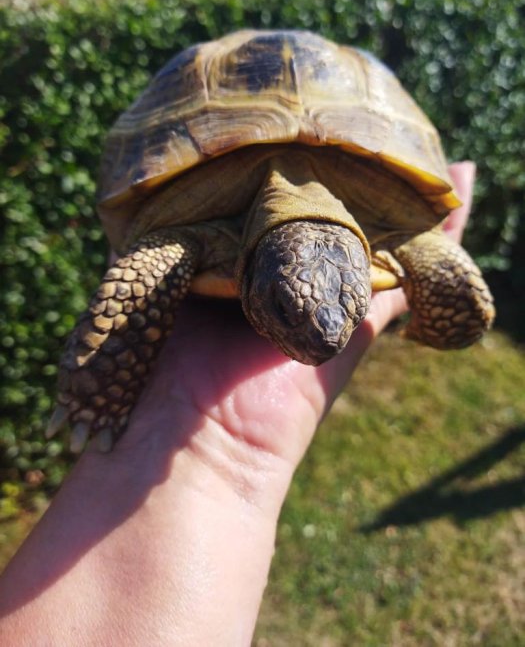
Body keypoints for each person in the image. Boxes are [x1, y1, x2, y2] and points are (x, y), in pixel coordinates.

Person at [0, 163, 477, 645]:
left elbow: (441, 270)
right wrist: (101, 387)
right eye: (286, 310)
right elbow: (137, 280)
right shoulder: (186, 220)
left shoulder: (391, 225)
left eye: (351, 316)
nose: (326, 343)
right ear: (259, 274)